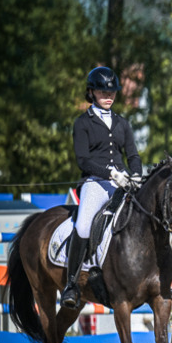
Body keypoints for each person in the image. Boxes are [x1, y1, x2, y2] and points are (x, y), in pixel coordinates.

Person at [60, 67, 143, 310]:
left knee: (146, 215)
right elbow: (83, 160)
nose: (109, 95)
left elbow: (133, 155)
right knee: (84, 225)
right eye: (103, 91)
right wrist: (110, 174)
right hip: (95, 183)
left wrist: (136, 175)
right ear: (92, 92)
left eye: (112, 91)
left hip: (123, 182)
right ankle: (72, 283)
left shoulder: (122, 123)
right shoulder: (82, 123)